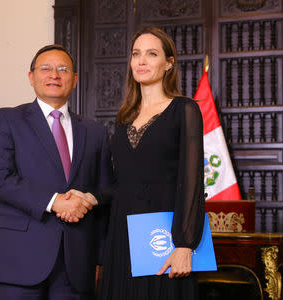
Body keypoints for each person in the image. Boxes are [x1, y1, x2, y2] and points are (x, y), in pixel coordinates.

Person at [0, 44, 113, 300]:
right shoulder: (8, 119)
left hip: (77, 263)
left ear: (74, 80)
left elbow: (107, 190)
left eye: (63, 69)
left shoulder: (95, 132)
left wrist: (99, 258)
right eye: (46, 69)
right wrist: (54, 201)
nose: (54, 75)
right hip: (19, 259)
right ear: (31, 77)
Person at [98, 26, 205, 299]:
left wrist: (184, 245)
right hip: (122, 236)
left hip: (164, 239)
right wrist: (88, 196)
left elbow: (191, 182)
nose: (141, 61)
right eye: (136, 54)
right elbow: (120, 184)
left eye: (151, 54)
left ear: (169, 63)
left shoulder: (185, 109)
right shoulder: (123, 119)